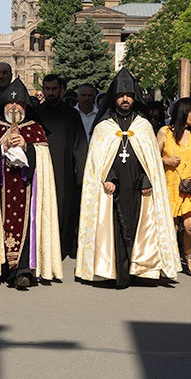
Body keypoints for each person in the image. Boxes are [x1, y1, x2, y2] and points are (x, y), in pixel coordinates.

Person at [77, 68, 179, 288]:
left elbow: (150, 160)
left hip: (138, 186)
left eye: (129, 95)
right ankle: (114, 271)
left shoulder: (143, 126)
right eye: (121, 95)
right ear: (114, 97)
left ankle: (139, 270)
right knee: (113, 226)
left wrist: (146, 179)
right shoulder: (103, 127)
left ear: (134, 98)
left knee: (140, 225)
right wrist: (107, 177)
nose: (125, 99)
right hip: (111, 187)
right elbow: (96, 161)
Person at [0, 79, 63, 288]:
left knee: (28, 226)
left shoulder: (35, 129)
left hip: (28, 191)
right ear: (4, 105)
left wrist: (27, 146)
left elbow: (43, 162)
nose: (14, 107)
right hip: (0, 191)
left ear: (26, 106)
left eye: (19, 103)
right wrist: (3, 146)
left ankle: (23, 270)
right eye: (10, 103)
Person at [37, 74, 88, 258]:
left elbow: (79, 144)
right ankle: (41, 247)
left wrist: (81, 174)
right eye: (47, 89)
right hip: (40, 170)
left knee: (63, 208)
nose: (50, 93)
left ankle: (61, 246)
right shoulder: (36, 113)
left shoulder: (71, 114)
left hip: (64, 170)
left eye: (54, 89)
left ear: (61, 90)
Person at [158, 98, 191, 276]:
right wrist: (166, 160)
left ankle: (188, 255)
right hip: (171, 185)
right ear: (183, 112)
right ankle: (169, 259)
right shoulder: (165, 132)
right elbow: (151, 157)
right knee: (171, 227)